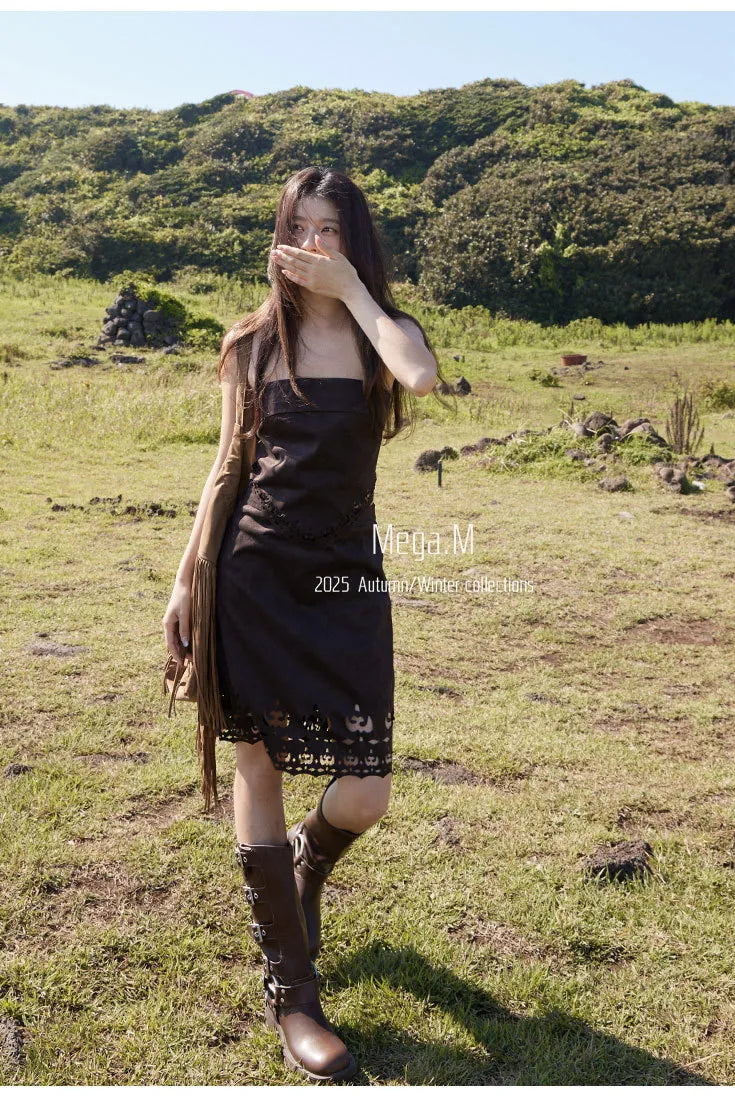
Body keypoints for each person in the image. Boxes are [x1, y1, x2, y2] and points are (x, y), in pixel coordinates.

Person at [163, 165, 446, 1082]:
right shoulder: (251, 343)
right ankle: (293, 994)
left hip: (346, 580)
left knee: (365, 793)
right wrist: (186, 581)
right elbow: (224, 469)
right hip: (254, 576)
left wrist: (352, 291)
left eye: (331, 230)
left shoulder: (383, 333)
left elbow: (422, 377)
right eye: (301, 229)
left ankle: (304, 866)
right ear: (280, 237)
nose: (314, 245)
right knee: (260, 763)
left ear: (353, 241)